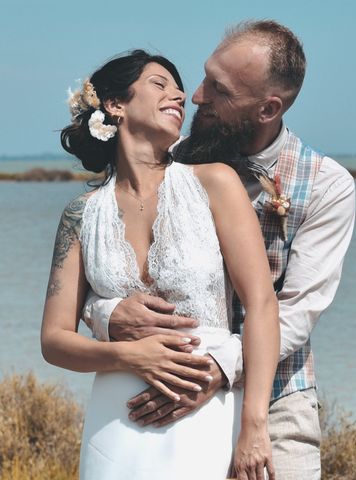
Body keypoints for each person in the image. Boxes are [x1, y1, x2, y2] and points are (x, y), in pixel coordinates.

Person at [84, 20, 356, 480]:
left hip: (275, 399)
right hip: (164, 386)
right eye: (206, 77)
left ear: (267, 108)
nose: (196, 97)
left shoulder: (327, 185)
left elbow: (296, 309)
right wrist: (106, 313)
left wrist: (216, 368)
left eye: (219, 91)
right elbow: (108, 258)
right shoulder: (171, 158)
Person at [40, 49, 279, 480]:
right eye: (159, 84)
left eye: (178, 87)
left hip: (204, 411)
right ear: (115, 106)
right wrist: (128, 356)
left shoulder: (215, 182)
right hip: (114, 425)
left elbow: (262, 305)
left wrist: (254, 426)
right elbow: (54, 341)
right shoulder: (80, 215)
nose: (180, 95)